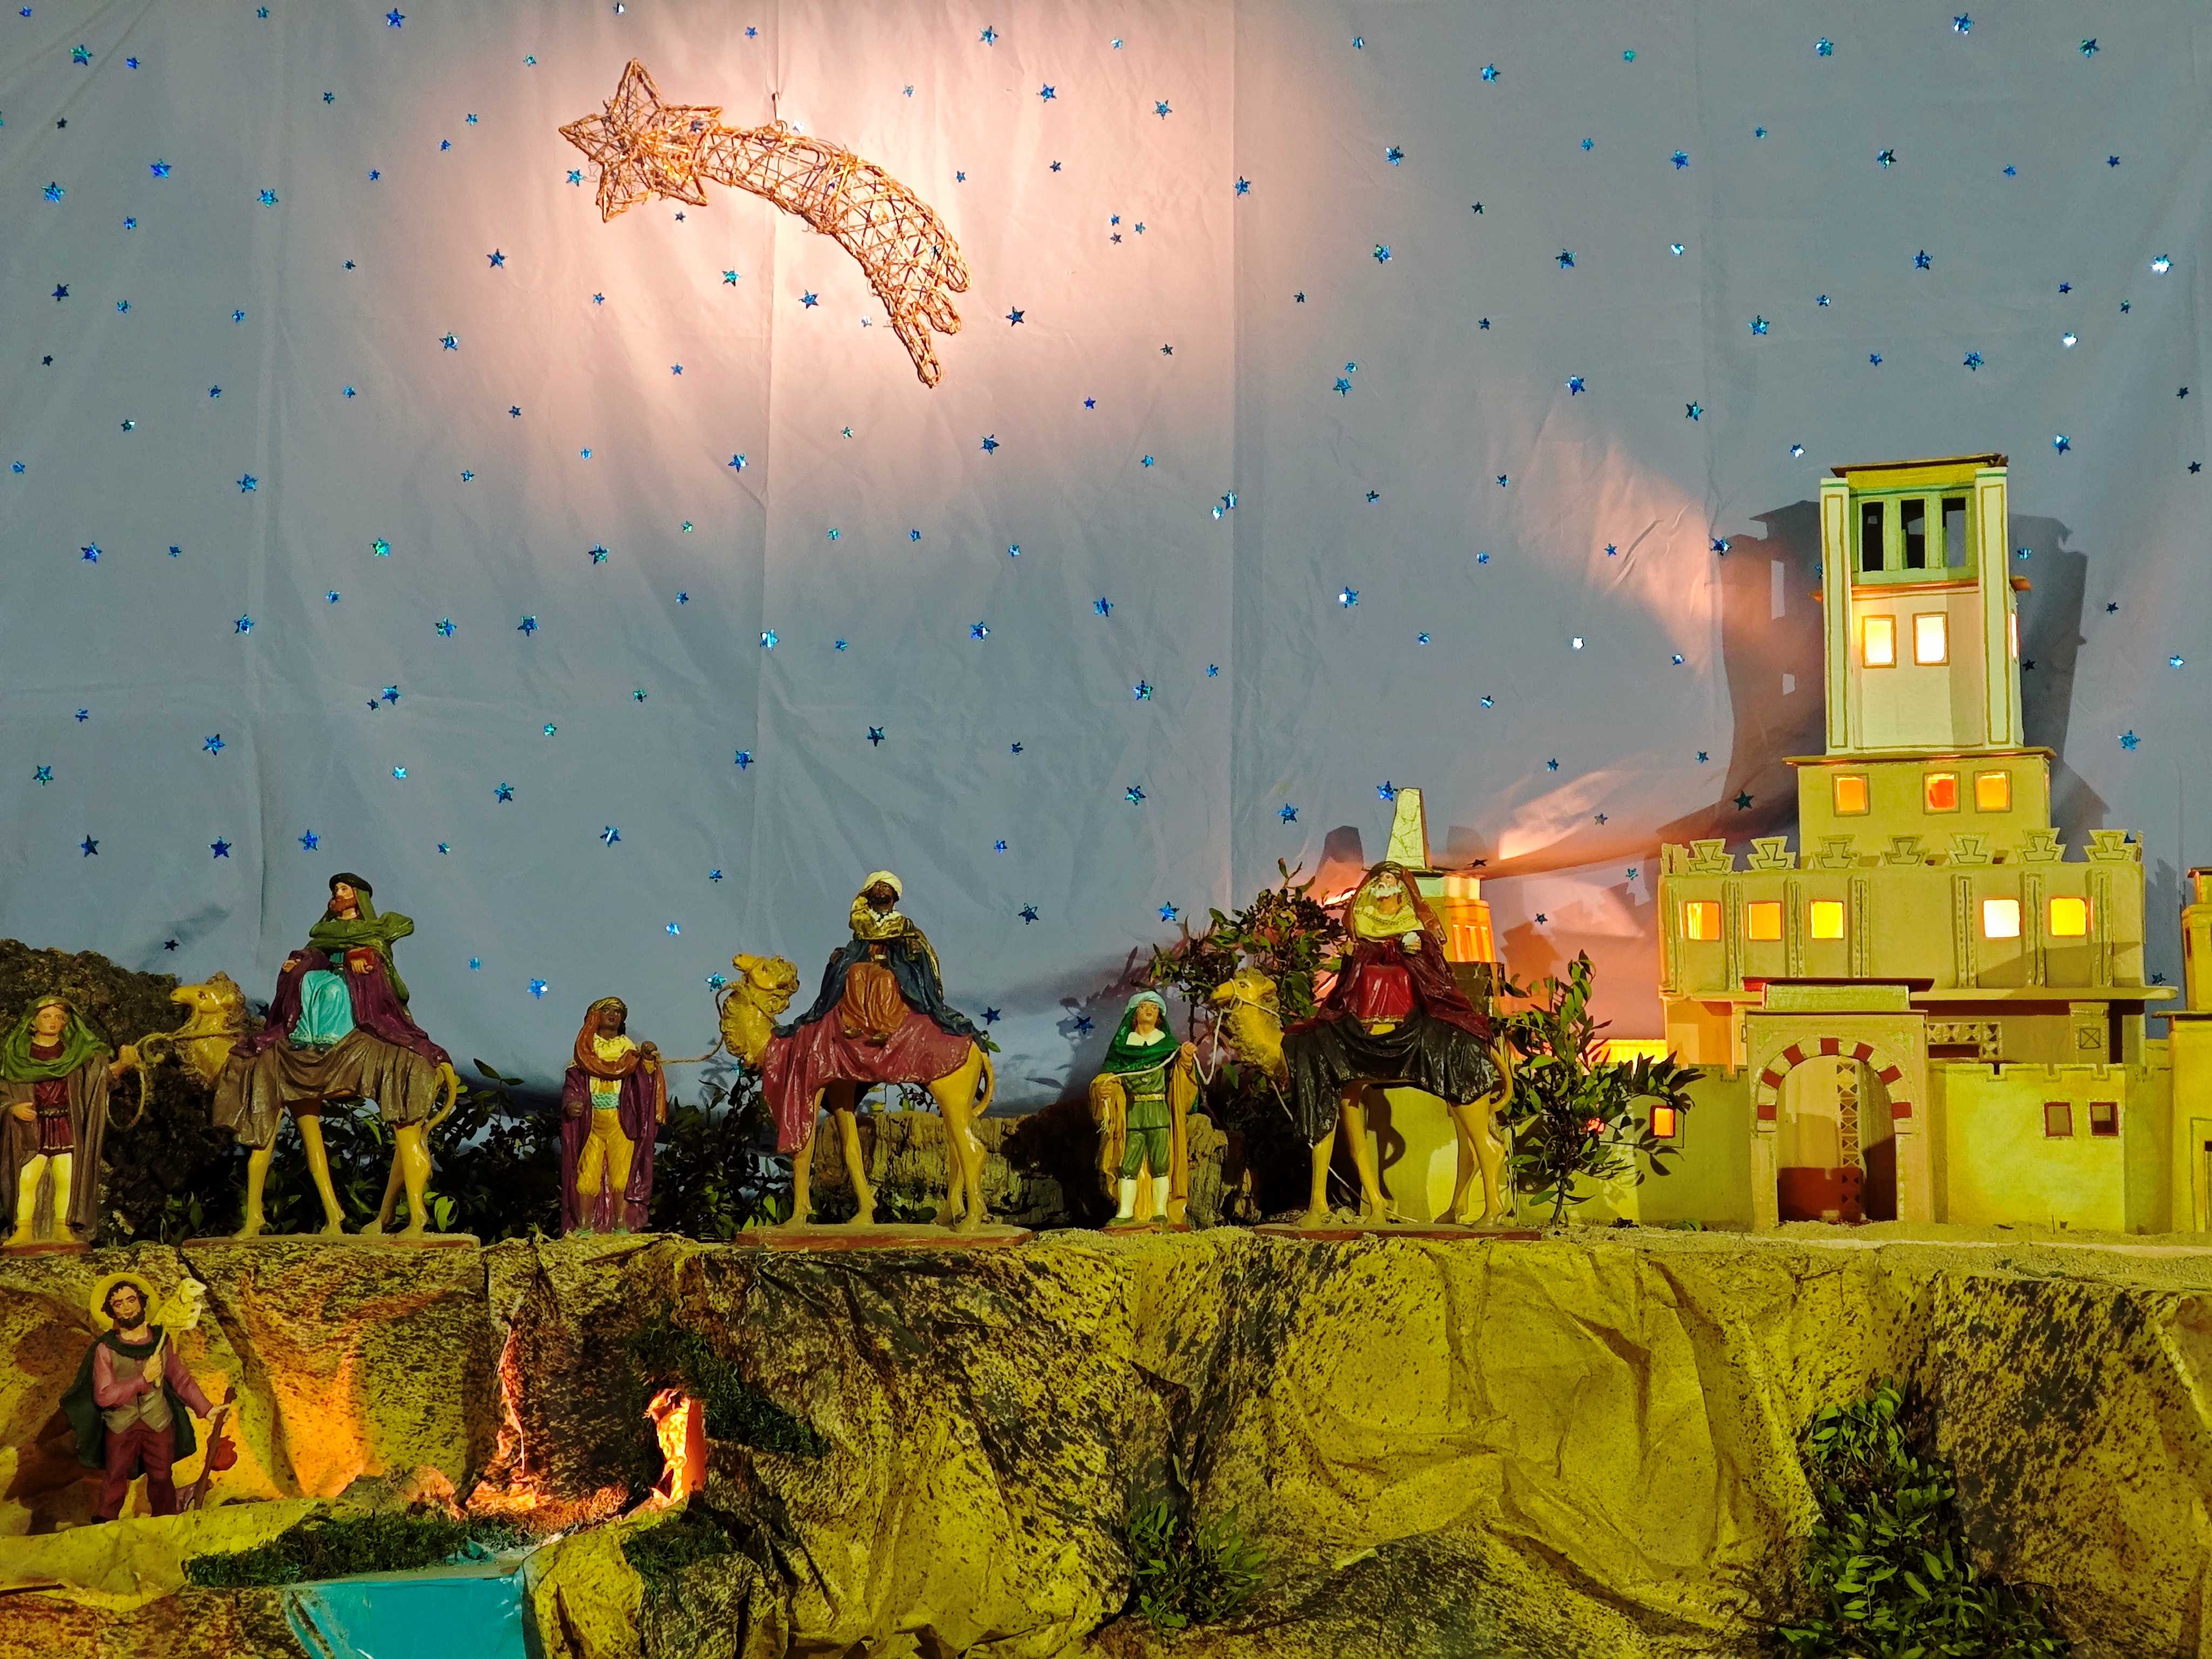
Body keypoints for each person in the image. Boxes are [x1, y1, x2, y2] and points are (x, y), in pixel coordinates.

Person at [1280, 861, 1503, 1216]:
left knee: (1396, 976)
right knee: (1367, 979)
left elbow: (1430, 964)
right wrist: (1361, 954)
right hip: (1362, 1010)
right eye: (1380, 879)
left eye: (1391, 879)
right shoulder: (1363, 919)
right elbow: (1354, 965)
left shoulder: (1413, 923)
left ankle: (1487, 1206)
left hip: (1409, 1003)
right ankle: (1355, 1202)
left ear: (1401, 888)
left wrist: (1409, 947)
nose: (1384, 883)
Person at [60, 1276, 222, 1521]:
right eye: (118, 1304)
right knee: (116, 1476)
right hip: (121, 1423)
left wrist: (207, 1409)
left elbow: (181, 1379)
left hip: (158, 1420)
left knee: (162, 1476)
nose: (127, 1308)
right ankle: (105, 1522)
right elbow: (104, 1396)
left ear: (141, 1302)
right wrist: (142, 1380)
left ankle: (165, 1519)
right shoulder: (106, 1349)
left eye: (131, 1300)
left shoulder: (160, 1341)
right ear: (111, 1311)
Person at [778, 872, 981, 1043]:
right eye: (877, 886)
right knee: (854, 972)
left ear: (894, 895)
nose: (881, 890)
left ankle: (885, 1027)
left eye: (886, 887)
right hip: (866, 962)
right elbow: (857, 946)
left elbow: (918, 946)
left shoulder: (902, 923)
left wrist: (913, 949)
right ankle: (855, 1023)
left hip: (893, 965)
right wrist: (843, 953)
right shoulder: (863, 923)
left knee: (885, 979)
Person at [1, 997, 137, 1247]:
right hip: (32, 1127)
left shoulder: (75, 1054)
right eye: (46, 1016)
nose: (53, 1022)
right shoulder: (16, 1055)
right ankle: (23, 1228)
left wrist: (123, 1064)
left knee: (66, 1177)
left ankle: (62, 1227)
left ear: (65, 1023)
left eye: (59, 1017)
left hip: (65, 1123)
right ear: (33, 1022)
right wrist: (12, 1107)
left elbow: (100, 1078)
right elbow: (3, 1090)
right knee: (27, 1178)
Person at [1089, 991, 1198, 1225]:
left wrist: (1186, 1060)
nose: (1149, 1010)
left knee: (1161, 1164)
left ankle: (1160, 1212)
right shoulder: (1122, 1046)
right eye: (1144, 1006)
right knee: (1128, 1163)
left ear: (1159, 1016)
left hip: (1159, 1112)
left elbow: (1182, 1079)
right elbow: (1107, 1077)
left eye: (1154, 1008)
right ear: (1134, 1013)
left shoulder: (1168, 1046)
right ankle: (1125, 1212)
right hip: (1133, 1113)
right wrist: (1104, 1091)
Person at [560, 998, 667, 1234]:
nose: (613, 1015)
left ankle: (621, 1224)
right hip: (592, 1124)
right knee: (587, 1176)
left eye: (618, 1012)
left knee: (622, 1176)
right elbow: (573, 1084)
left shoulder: (628, 1051)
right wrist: (572, 1102)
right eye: (607, 1010)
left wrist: (648, 1060)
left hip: (622, 1122)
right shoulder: (585, 1052)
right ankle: (584, 1225)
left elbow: (644, 1084)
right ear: (594, 1016)